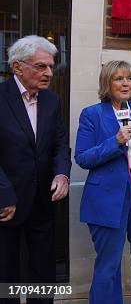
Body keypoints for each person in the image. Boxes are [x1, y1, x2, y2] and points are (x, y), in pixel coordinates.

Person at [75, 60, 131, 304]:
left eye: (129, 78)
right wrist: (114, 142)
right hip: (107, 196)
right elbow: (82, 157)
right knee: (109, 264)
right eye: (118, 78)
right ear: (107, 83)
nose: (126, 83)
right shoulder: (92, 114)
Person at [0, 35, 71, 304]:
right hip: (6, 205)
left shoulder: (52, 101)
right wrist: (4, 195)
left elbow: (60, 144)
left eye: (51, 66)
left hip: (44, 202)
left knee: (42, 275)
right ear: (18, 67)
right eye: (41, 67)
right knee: (5, 276)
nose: (49, 73)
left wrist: (62, 174)